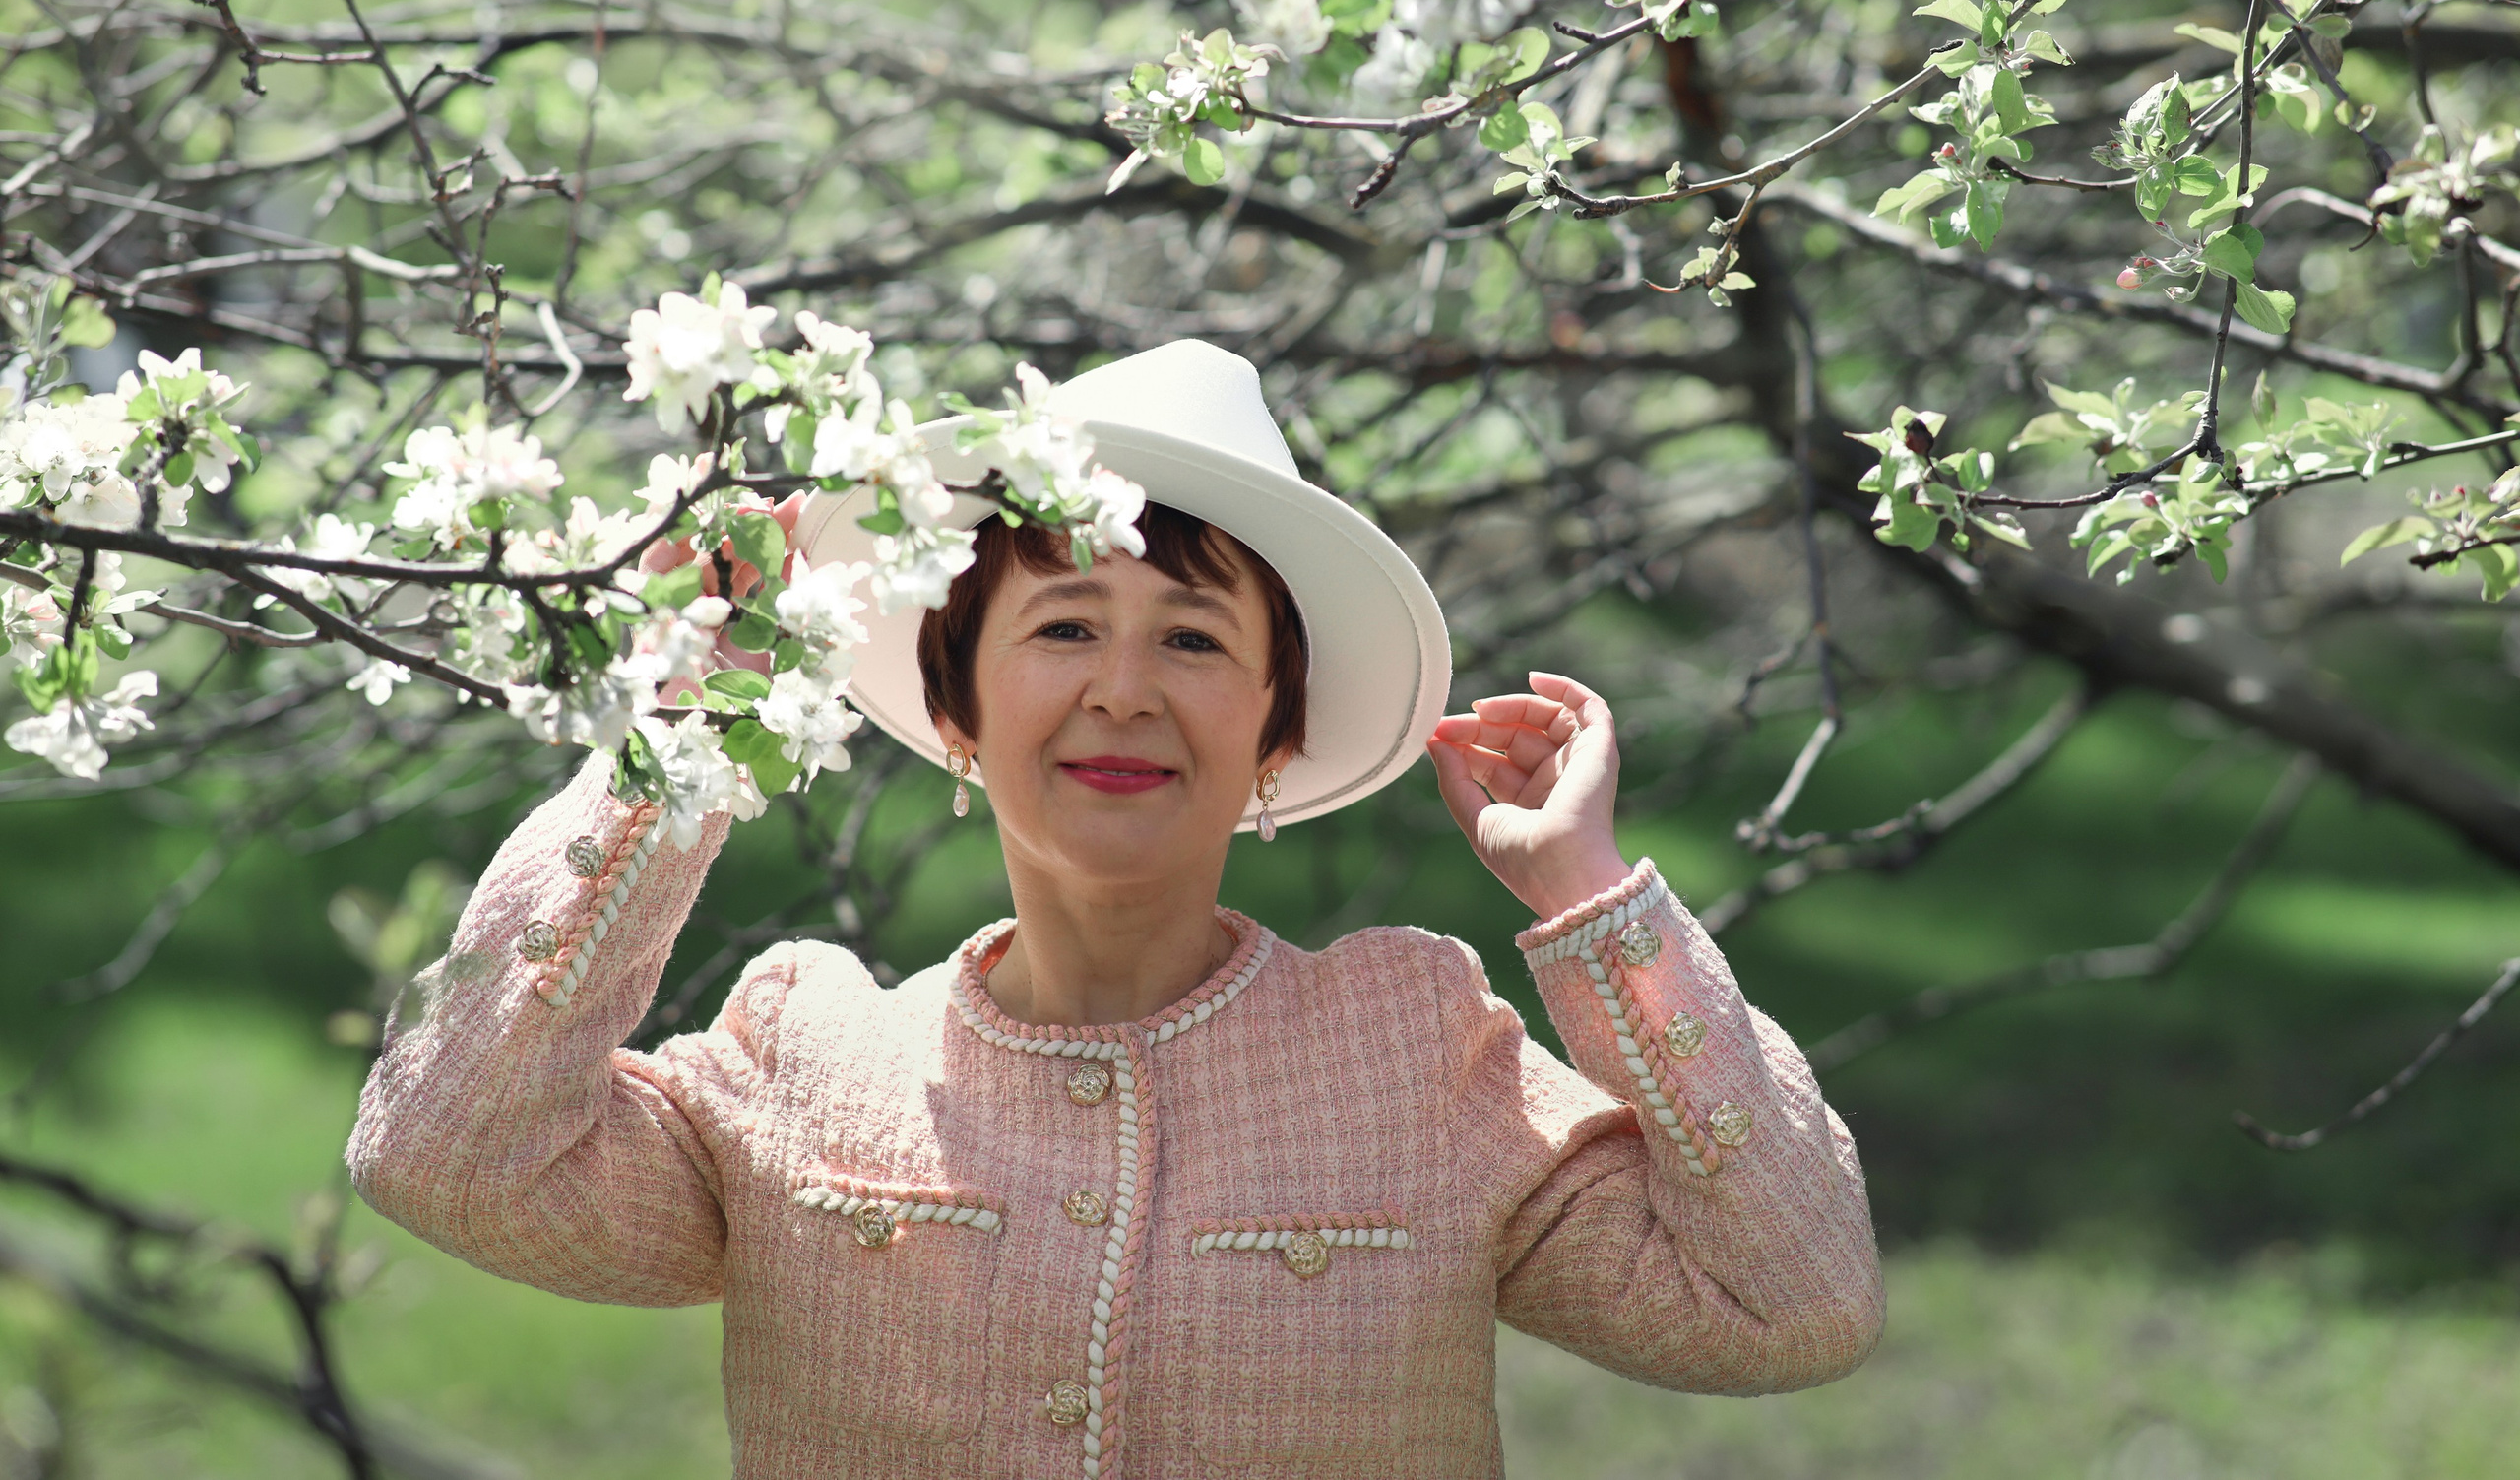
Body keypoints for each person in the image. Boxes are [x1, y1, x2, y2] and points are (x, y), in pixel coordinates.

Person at [347, 340, 1883, 1480]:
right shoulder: (798, 1056)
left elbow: (1788, 1308)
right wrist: (679, 747)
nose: (1123, 691)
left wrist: (1590, 899)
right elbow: (442, 1155)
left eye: (1196, 640)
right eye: (1064, 622)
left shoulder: (1420, 1057)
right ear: (956, 709)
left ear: (1276, 733)